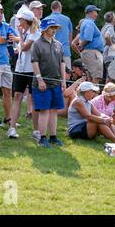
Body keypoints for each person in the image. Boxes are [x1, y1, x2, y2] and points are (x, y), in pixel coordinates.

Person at [31, 17, 66, 147]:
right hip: (42, 84)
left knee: (53, 110)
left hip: (56, 83)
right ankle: (42, 138)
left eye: (55, 28)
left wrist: (63, 80)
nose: (54, 30)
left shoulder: (58, 44)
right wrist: (40, 80)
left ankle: (53, 136)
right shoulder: (37, 44)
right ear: (45, 29)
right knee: (44, 110)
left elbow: (62, 63)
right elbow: (35, 63)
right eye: (52, 28)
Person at [9, 10, 39, 139]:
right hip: (20, 69)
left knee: (33, 99)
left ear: (25, 21)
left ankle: (36, 130)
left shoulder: (35, 33)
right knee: (17, 96)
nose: (18, 22)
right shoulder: (25, 33)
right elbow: (21, 49)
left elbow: (25, 47)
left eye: (20, 19)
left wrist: (20, 35)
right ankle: (12, 127)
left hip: (32, 70)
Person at [79, 4, 104, 84]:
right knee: (96, 77)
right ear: (90, 12)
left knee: (89, 78)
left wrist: (81, 47)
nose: (97, 14)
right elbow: (87, 38)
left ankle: (90, 95)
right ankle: (94, 95)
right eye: (96, 12)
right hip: (92, 53)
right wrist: (81, 46)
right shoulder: (89, 23)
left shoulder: (86, 22)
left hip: (90, 52)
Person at [48, 1, 73, 69]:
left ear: (51, 8)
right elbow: (70, 35)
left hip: (50, 53)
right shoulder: (67, 19)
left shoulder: (46, 20)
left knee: (52, 77)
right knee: (67, 76)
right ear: (60, 8)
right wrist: (68, 46)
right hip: (65, 51)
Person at [101, 11, 115, 81]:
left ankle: (107, 91)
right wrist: (112, 46)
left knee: (109, 77)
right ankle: (109, 91)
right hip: (111, 56)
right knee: (111, 77)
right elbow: (106, 36)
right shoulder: (110, 27)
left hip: (106, 55)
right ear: (112, 18)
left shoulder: (104, 27)